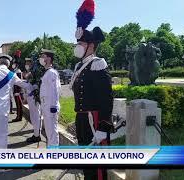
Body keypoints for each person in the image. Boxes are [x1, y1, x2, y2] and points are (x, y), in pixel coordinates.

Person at [70, 27, 113, 180]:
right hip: (82, 119)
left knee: (97, 165)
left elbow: (106, 98)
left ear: (91, 45)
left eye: (81, 43)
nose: (77, 46)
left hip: (94, 121)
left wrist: (103, 125)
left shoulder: (98, 65)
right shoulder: (79, 67)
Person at [39, 49, 61, 146]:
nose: (41, 58)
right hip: (46, 105)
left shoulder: (52, 73)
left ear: (49, 58)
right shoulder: (47, 72)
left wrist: (54, 106)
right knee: (49, 131)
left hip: (50, 106)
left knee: (52, 131)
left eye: (43, 56)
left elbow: (55, 90)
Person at [24, 58, 41, 143]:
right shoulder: (30, 72)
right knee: (33, 116)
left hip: (34, 97)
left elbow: (37, 84)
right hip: (30, 97)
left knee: (35, 116)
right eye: (26, 63)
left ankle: (37, 135)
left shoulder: (35, 72)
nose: (26, 64)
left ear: (32, 63)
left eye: (28, 62)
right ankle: (36, 133)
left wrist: (33, 89)